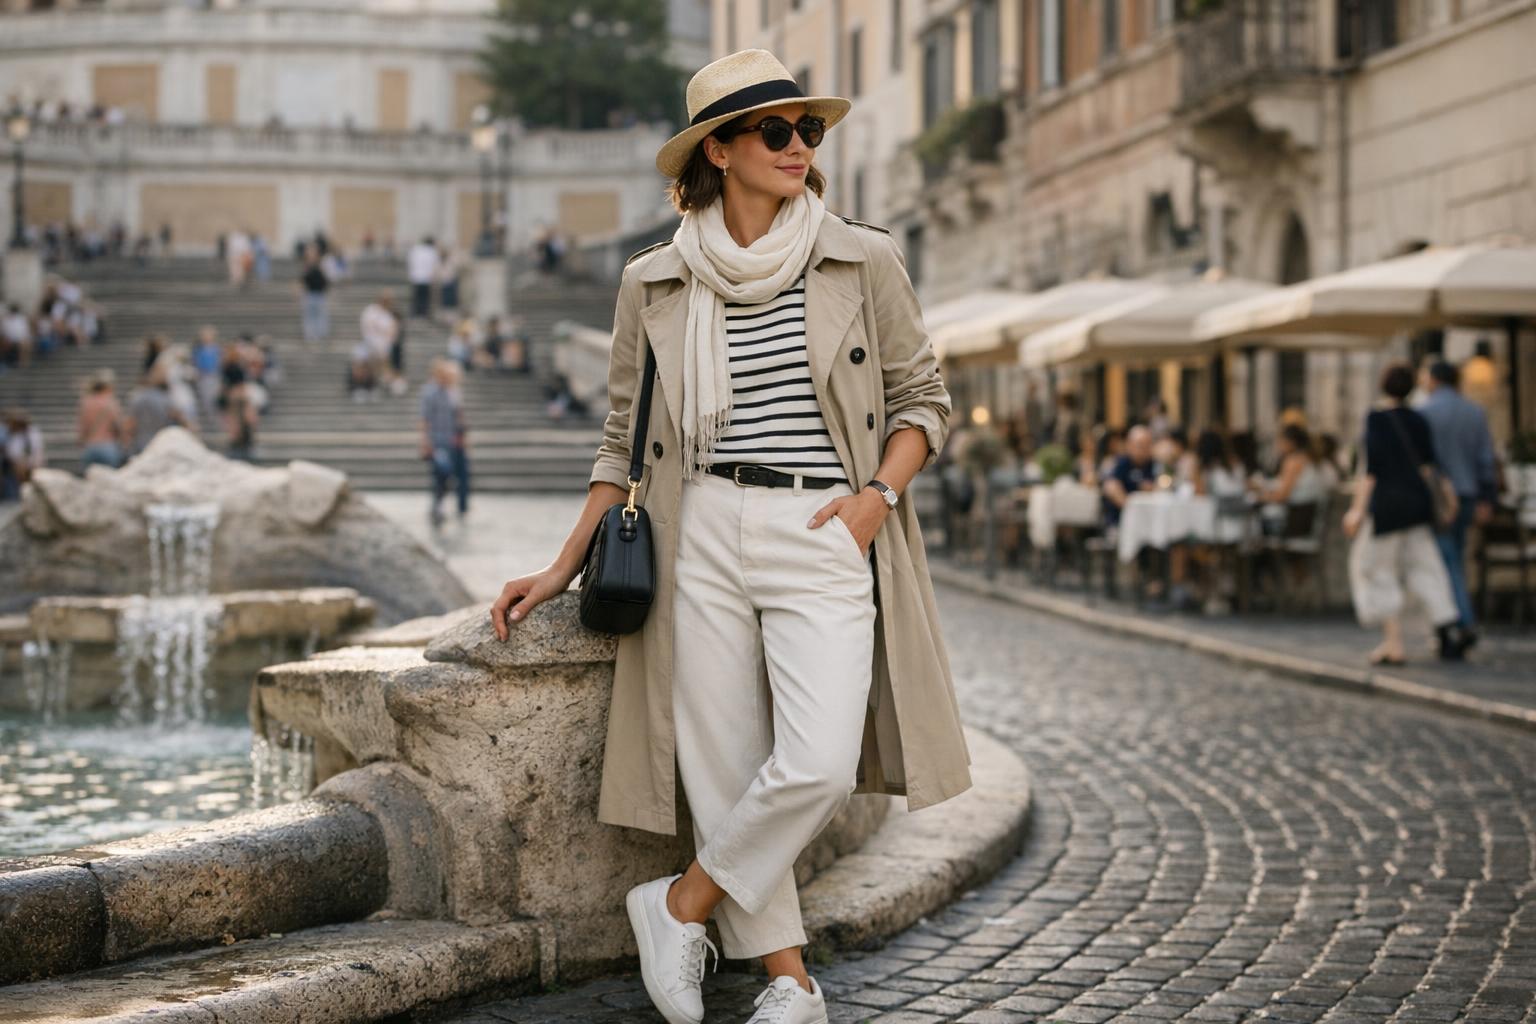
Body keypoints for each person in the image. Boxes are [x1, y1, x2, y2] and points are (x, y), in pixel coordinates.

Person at [486, 48, 969, 1024]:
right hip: (695, 526)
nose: (799, 147)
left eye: (808, 131)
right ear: (719, 149)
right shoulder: (655, 280)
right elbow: (621, 443)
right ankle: (790, 983)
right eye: (775, 131)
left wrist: (877, 494)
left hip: (825, 519)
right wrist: (559, 565)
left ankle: (677, 905)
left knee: (818, 762)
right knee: (726, 764)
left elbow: (924, 399)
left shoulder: (859, 255)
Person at [1342, 363, 1465, 665]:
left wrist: (1357, 511)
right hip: (1417, 505)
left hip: (1388, 507)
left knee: (1376, 569)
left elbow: (1370, 472)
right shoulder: (1417, 419)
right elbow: (1429, 467)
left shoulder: (1377, 419)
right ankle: (1448, 629)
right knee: (1427, 568)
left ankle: (1393, 644)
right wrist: (1449, 499)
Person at [1416, 359, 1498, 647]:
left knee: (1445, 561)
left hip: (1437, 499)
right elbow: (1486, 458)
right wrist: (1487, 497)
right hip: (1468, 494)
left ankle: (1461, 621)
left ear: (1434, 380)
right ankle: (1453, 622)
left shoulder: (1423, 412)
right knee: (1455, 557)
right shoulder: (1474, 412)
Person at [418, 357, 469, 525]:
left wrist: (461, 436)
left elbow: (458, 415)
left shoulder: (451, 391)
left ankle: (442, 505)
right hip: (437, 440)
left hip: (450, 439)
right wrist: (425, 441)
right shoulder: (430, 392)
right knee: (441, 473)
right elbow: (425, 419)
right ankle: (437, 506)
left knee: (448, 474)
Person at [123, 363, 188, 457]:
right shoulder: (165, 398)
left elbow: (130, 424)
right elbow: (178, 416)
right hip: (160, 443)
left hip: (141, 443)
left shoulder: (137, 398)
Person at [1101, 425, 1157, 528]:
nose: (1144, 450)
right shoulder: (1121, 463)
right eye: (1140, 445)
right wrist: (1132, 508)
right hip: (1122, 522)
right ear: (1129, 445)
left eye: (1148, 445)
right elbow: (1110, 487)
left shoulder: (1154, 465)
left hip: (1151, 521)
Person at [77, 368, 125, 470]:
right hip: (108, 445)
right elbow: (117, 425)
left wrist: (81, 440)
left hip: (90, 446)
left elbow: (82, 426)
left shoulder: (86, 402)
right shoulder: (111, 402)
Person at [298, 245, 331, 342]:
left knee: (320, 315)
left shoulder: (321, 265)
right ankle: (310, 335)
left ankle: (320, 335)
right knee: (309, 316)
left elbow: (325, 280)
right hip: (310, 294)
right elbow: (302, 280)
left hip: (319, 294)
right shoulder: (306, 267)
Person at [407, 236, 440, 319]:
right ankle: (423, 313)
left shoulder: (416, 250)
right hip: (427, 278)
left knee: (416, 297)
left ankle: (414, 313)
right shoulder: (432, 251)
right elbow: (435, 266)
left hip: (416, 277)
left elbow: (411, 262)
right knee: (424, 298)